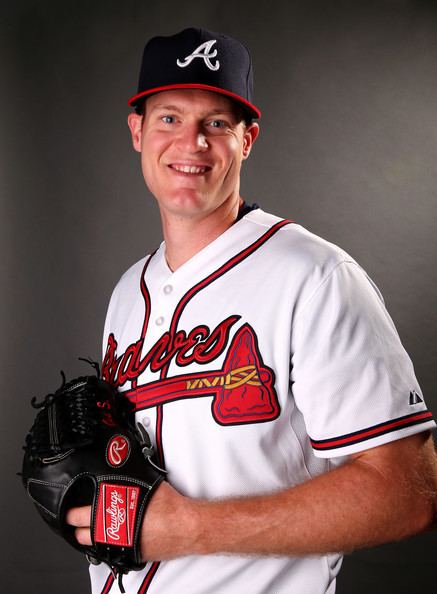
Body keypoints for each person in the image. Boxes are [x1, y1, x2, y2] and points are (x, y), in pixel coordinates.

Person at [67, 27, 437, 594]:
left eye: (215, 123)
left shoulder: (315, 277)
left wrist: (190, 528)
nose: (191, 143)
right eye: (169, 118)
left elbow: (409, 492)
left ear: (248, 139)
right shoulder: (125, 292)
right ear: (137, 131)